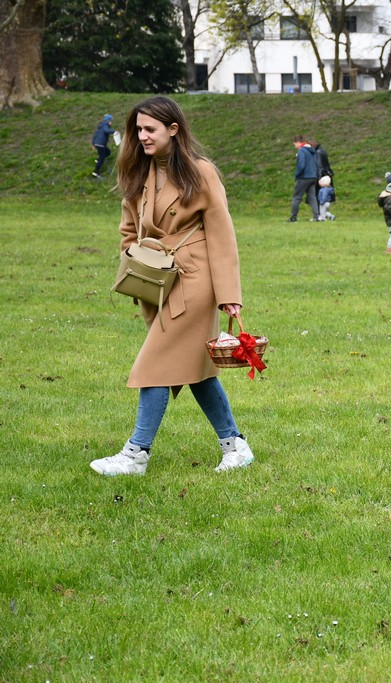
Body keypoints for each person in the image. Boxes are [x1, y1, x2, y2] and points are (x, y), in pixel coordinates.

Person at [89, 95, 254, 476]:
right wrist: (137, 265)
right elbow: (128, 231)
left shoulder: (200, 172)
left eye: (150, 129)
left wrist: (230, 296)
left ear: (173, 130)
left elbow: (222, 235)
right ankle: (235, 445)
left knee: (157, 363)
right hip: (157, 283)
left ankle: (136, 454)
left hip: (196, 281)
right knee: (194, 367)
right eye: (138, 130)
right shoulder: (136, 173)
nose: (142, 136)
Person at [289, 134, 319, 222]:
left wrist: (297, 175)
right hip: (313, 176)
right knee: (312, 197)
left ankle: (293, 217)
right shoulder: (312, 151)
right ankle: (316, 216)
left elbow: (301, 165)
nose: (294, 146)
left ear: (298, 143)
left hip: (304, 177)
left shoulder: (302, 151)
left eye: (294, 143)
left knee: (296, 197)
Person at [92, 113, 118, 178]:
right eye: (111, 121)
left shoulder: (100, 126)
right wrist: (114, 131)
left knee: (108, 152)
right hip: (101, 144)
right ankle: (95, 172)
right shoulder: (105, 125)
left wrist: (93, 143)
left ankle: (98, 160)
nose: (111, 123)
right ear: (108, 121)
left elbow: (95, 135)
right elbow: (106, 131)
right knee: (102, 158)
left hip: (97, 143)